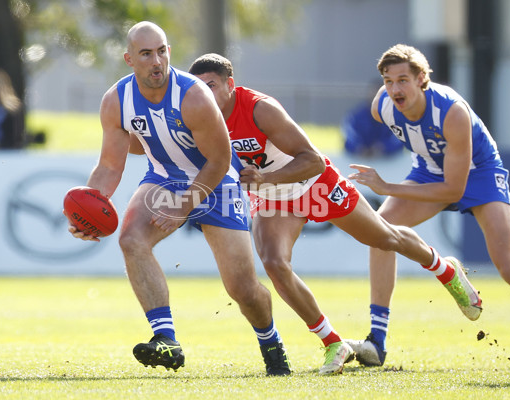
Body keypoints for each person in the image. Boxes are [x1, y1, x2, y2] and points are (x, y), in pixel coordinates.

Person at [188, 53, 482, 375]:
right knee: (274, 263)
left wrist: (264, 179)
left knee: (386, 237)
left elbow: (312, 160)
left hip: (313, 183)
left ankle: (445, 270)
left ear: (230, 85)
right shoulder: (200, 117)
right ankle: (332, 342)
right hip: (271, 196)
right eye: (199, 89)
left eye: (212, 86)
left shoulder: (260, 108)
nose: (206, 94)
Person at [66, 22, 291, 376]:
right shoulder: (116, 100)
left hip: (217, 183)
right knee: (131, 240)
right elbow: (110, 166)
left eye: (162, 51)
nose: (157, 61)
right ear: (129, 59)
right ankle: (166, 339)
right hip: (165, 178)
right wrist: (89, 208)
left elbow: (219, 161)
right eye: (146, 54)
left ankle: (271, 341)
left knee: (242, 288)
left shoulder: (194, 95)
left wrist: (186, 205)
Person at [346, 44, 510, 367]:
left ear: (422, 79)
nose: (395, 89)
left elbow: (453, 189)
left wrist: (386, 186)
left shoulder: (451, 112)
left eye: (403, 80)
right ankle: (377, 342)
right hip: (428, 170)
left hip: (479, 174)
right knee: (379, 232)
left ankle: (446, 271)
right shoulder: (381, 106)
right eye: (388, 81)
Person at [342, 86, 403, 158]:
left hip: (389, 160)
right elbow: (349, 135)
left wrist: (382, 147)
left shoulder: (396, 116)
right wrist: (360, 148)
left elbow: (398, 138)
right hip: (360, 158)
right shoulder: (356, 115)